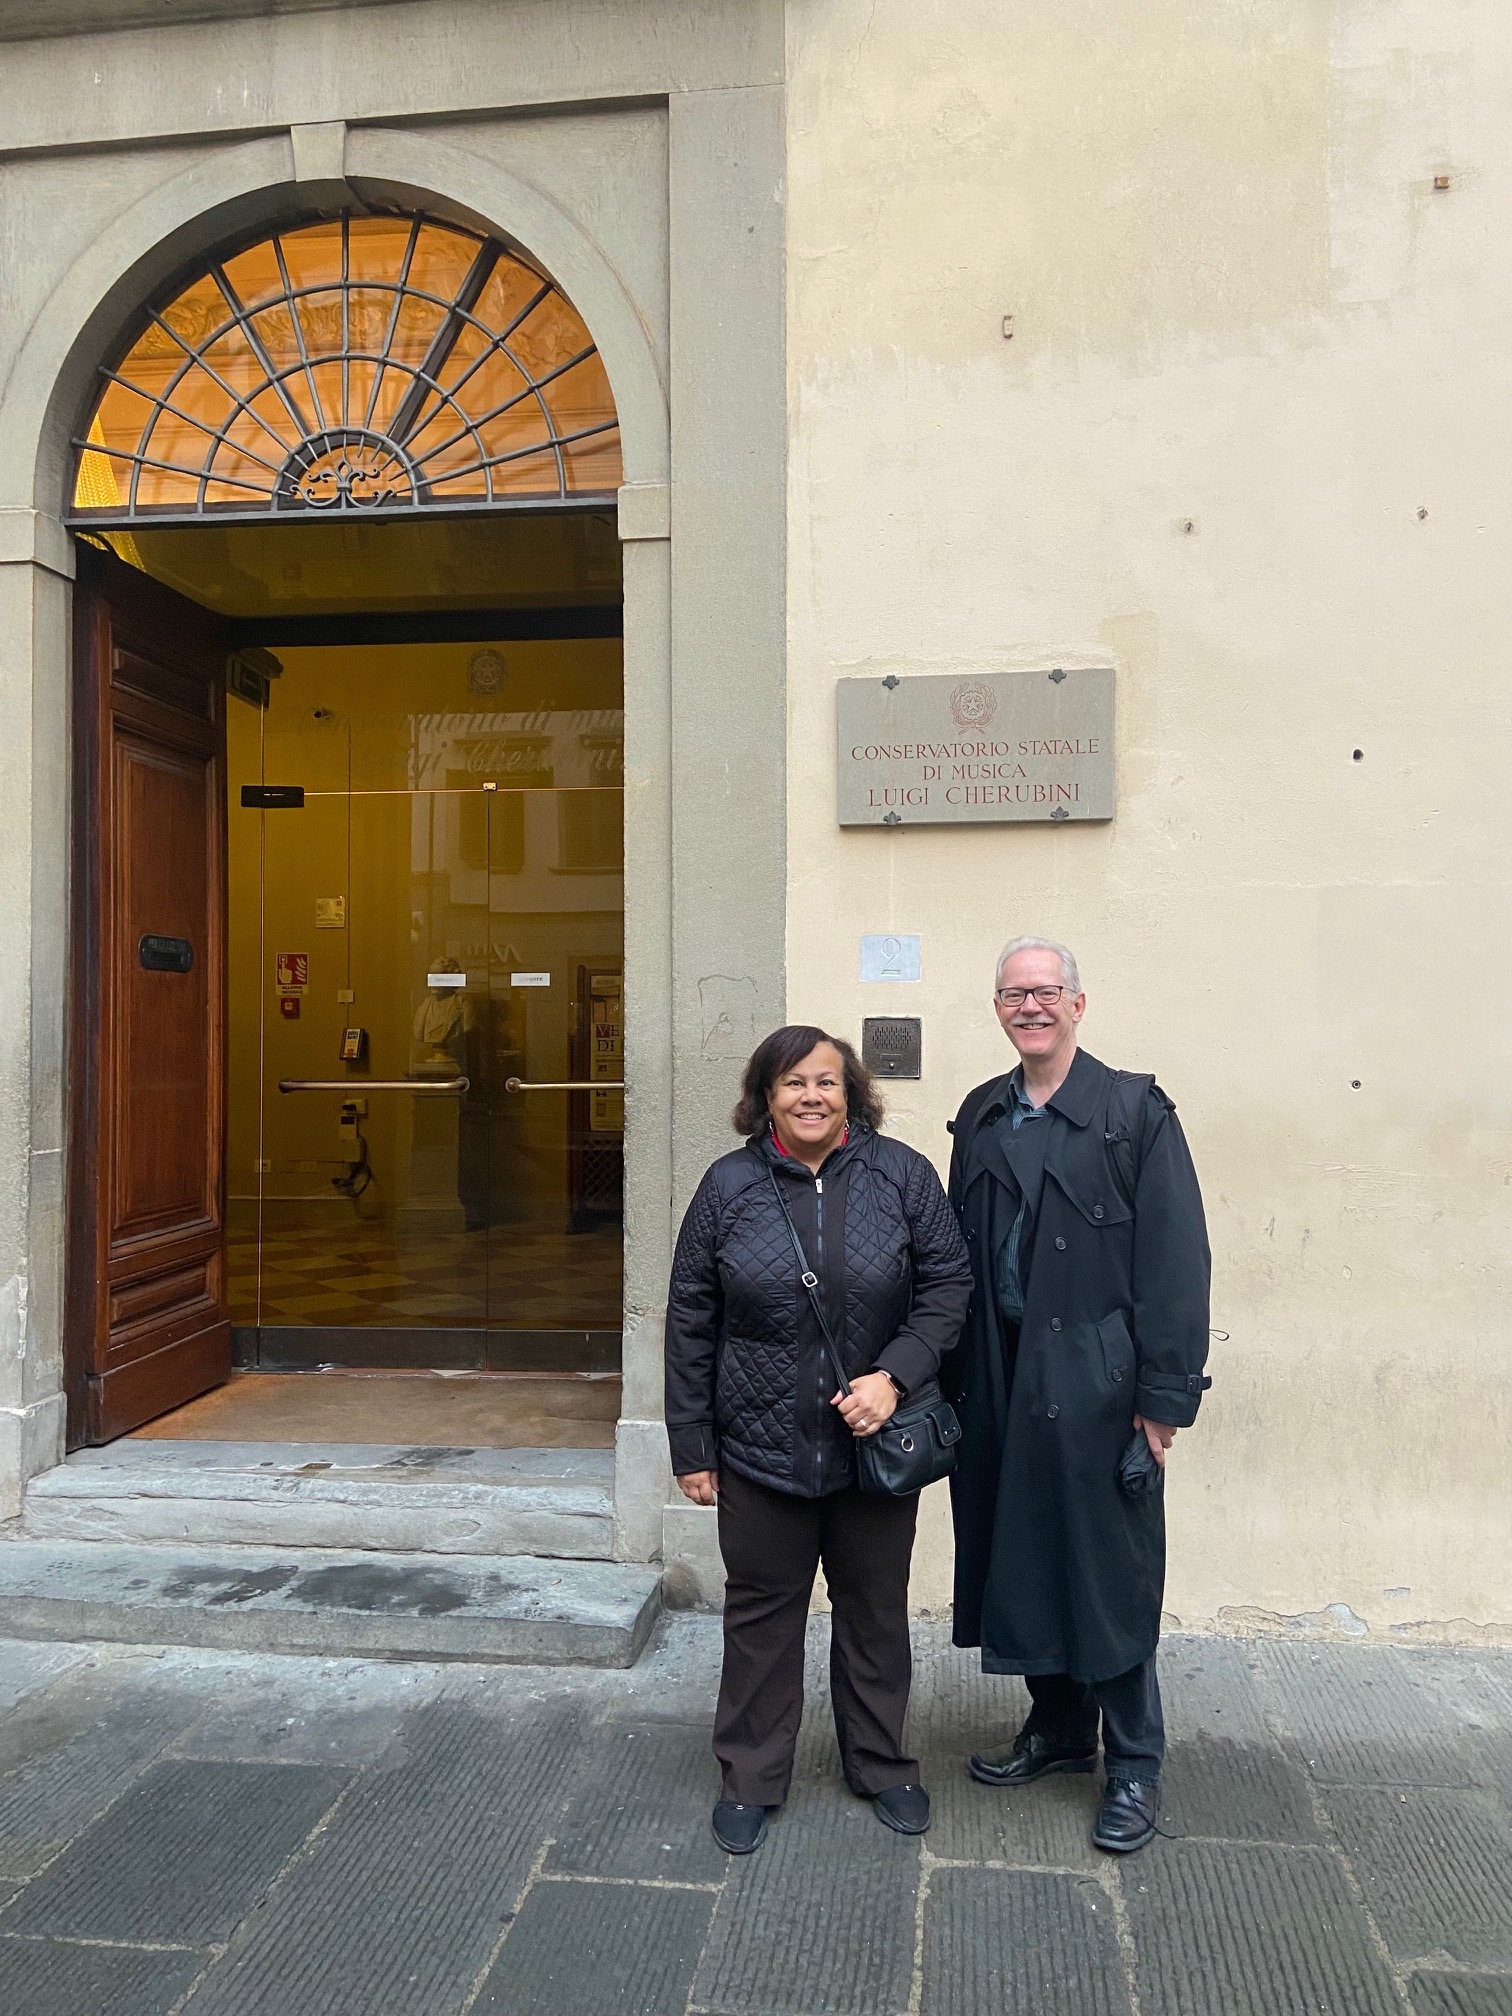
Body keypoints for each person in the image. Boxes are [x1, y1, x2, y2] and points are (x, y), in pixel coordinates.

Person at [666, 1025, 972, 1855]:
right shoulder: (727, 1188)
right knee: (762, 1616)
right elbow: (691, 1318)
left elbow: (949, 1285)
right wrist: (692, 1445)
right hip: (760, 1448)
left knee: (874, 1613)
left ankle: (881, 1764)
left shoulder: (901, 1176)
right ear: (765, 1095)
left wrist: (894, 1378)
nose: (812, 1096)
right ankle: (751, 1775)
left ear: (852, 1094)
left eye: (828, 1082)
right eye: (794, 1082)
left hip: (873, 1448)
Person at [945, 937, 1211, 1854]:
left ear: (1078, 1005)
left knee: (1108, 1572)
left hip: (1099, 1384)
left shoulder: (1133, 1110)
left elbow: (1177, 1263)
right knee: (1021, 1554)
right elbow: (955, 1260)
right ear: (998, 1008)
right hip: (1001, 1376)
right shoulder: (982, 1114)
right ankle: (1059, 1729)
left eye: (1047, 991)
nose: (1031, 1006)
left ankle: (1134, 1762)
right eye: (1015, 993)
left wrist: (1164, 1399)